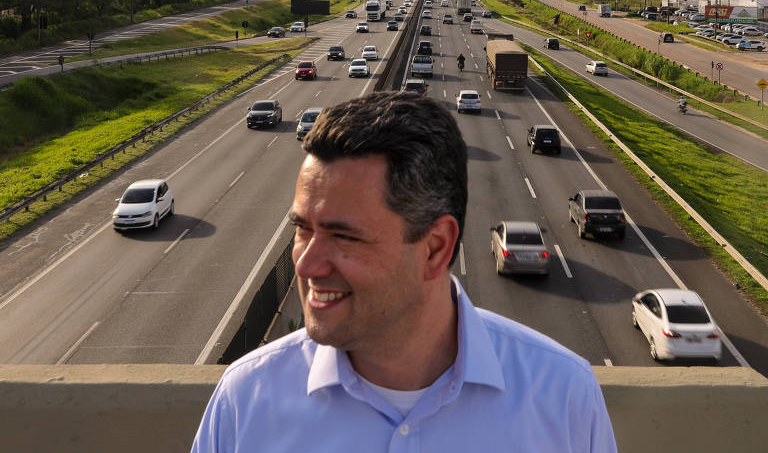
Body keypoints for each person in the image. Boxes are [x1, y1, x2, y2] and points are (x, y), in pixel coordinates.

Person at [191, 92, 617, 452]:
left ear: (435, 248)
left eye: (344, 237)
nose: (304, 263)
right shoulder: (244, 403)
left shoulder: (565, 401)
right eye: (303, 229)